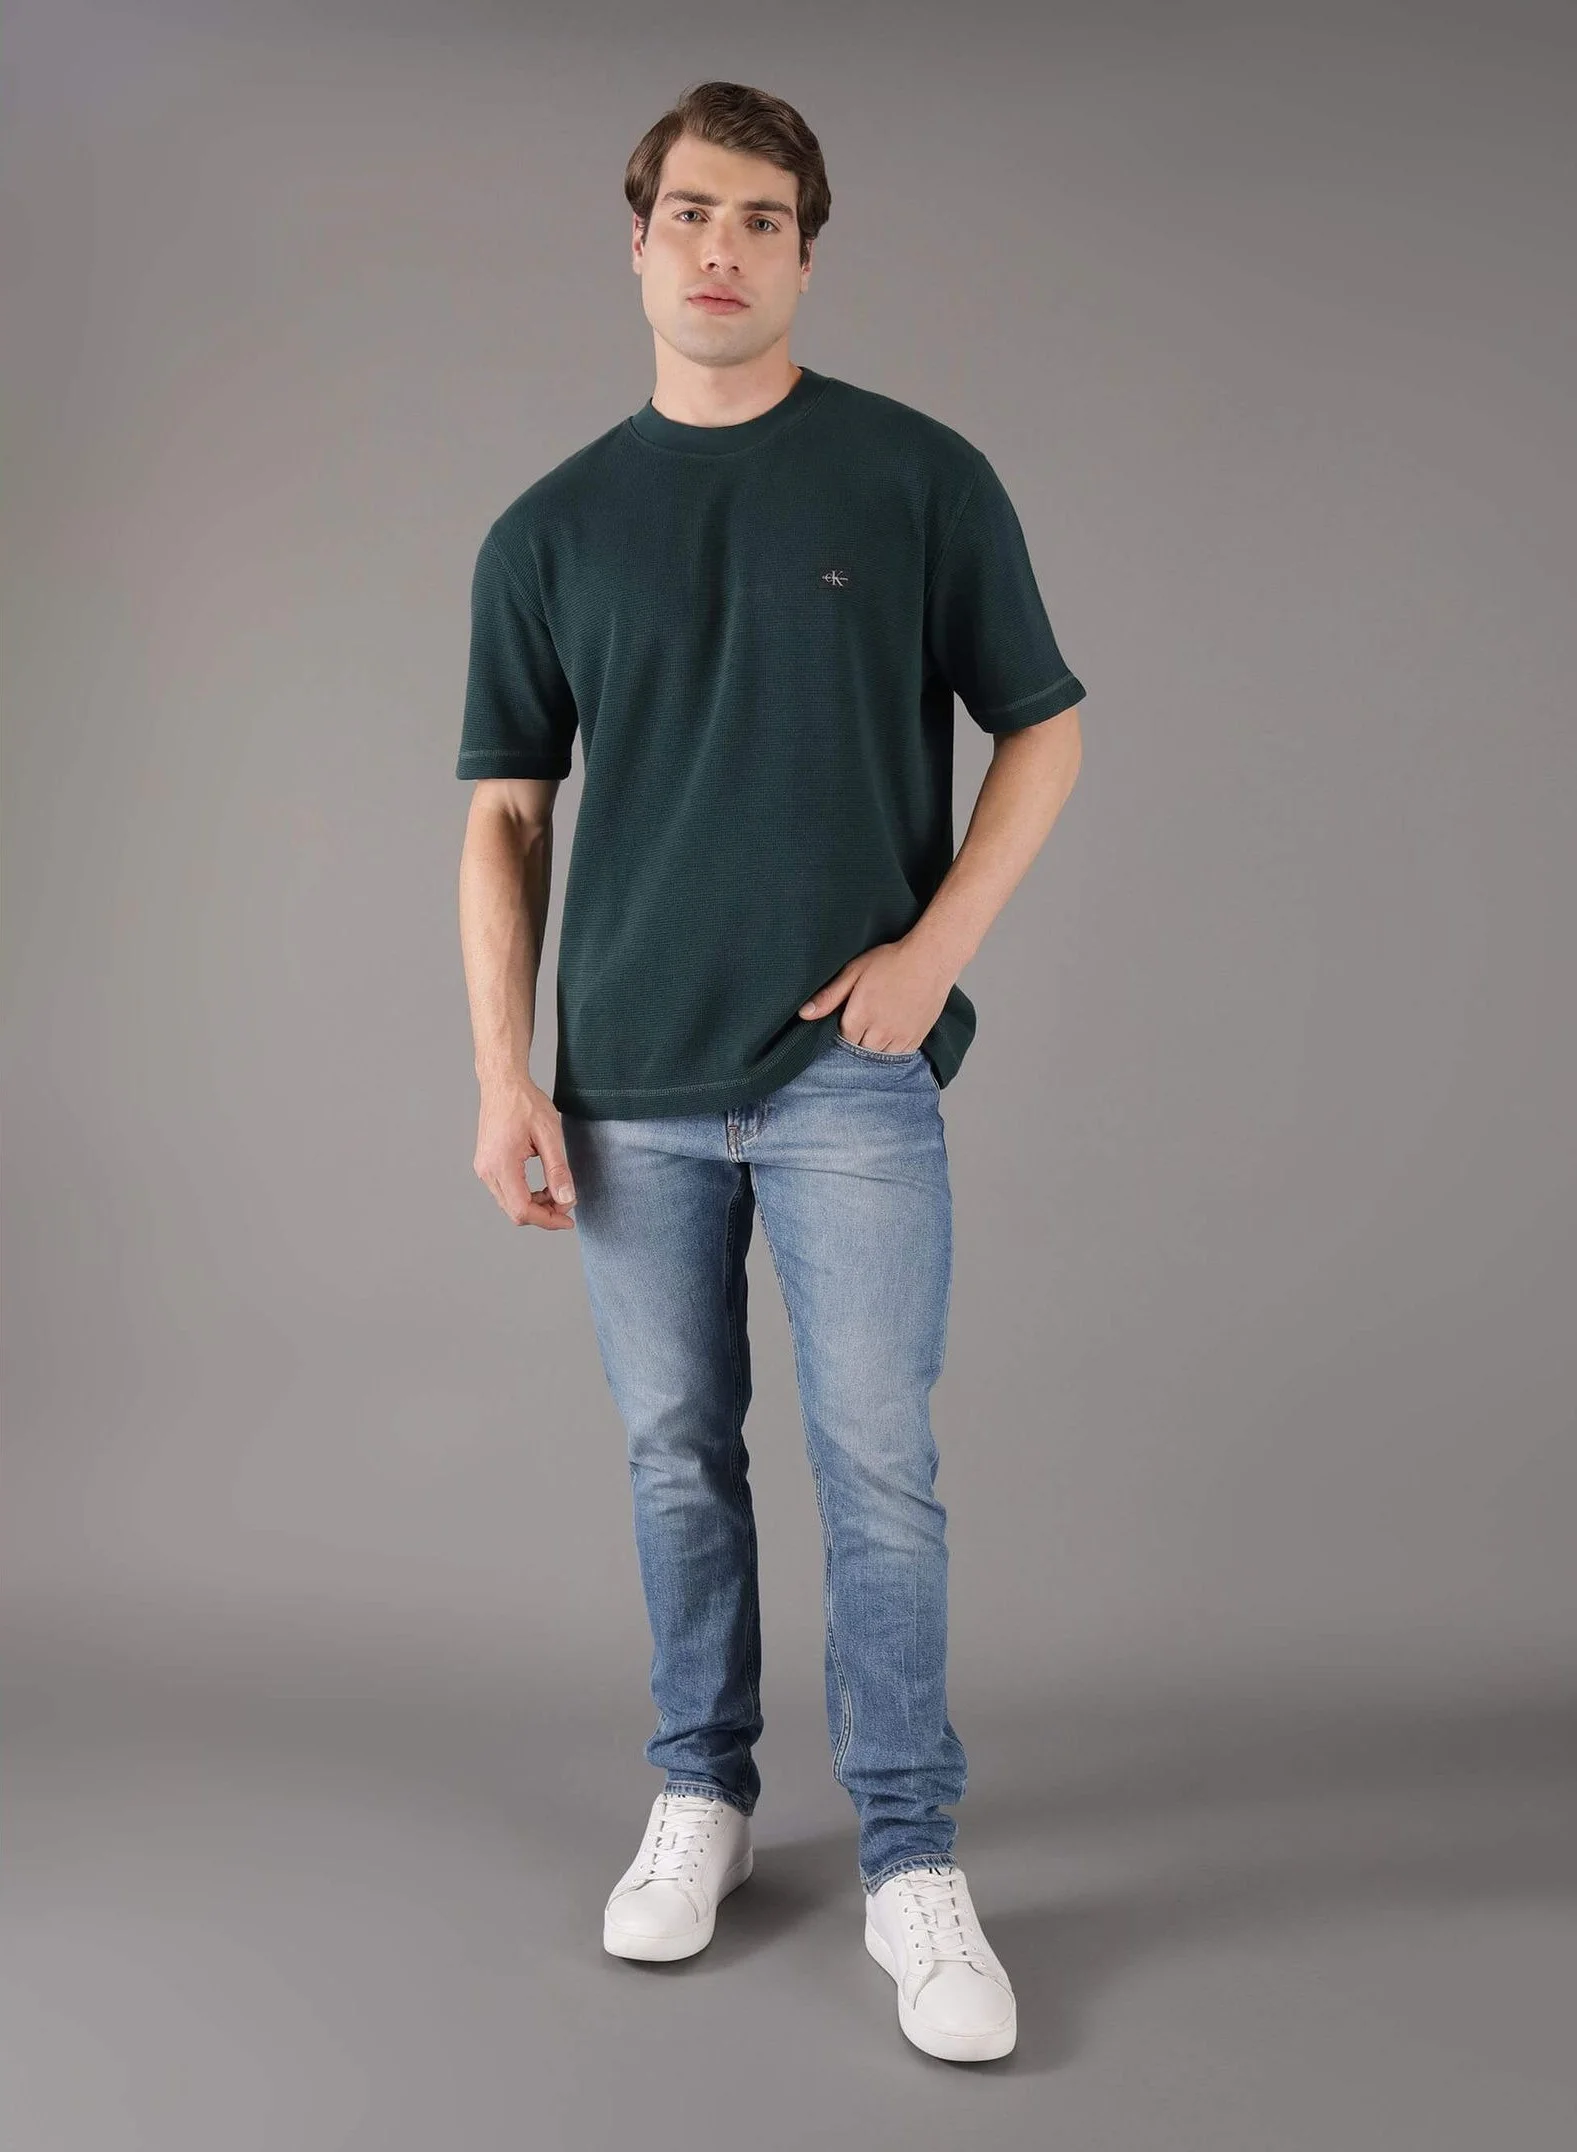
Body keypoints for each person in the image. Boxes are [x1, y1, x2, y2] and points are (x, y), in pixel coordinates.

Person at [455, 79, 1085, 2065]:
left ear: (807, 253)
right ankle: (701, 1795)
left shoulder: (915, 478)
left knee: (878, 1462)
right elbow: (503, 819)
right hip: (626, 1081)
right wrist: (503, 1074)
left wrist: (933, 953)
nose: (720, 248)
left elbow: (1045, 728)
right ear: (635, 241)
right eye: (689, 214)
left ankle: (910, 1856)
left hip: (844, 1081)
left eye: (761, 220)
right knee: (675, 1450)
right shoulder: (548, 529)